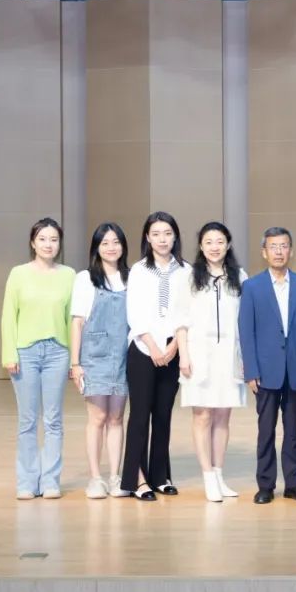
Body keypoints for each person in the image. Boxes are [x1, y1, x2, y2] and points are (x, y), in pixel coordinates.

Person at [239, 227, 296, 505]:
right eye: (273, 247)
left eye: (284, 246)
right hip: (265, 371)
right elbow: (246, 331)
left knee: (293, 430)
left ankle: (294, 484)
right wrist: (251, 370)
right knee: (266, 430)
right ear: (264, 252)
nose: (279, 251)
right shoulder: (252, 287)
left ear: (291, 251)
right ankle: (265, 485)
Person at [1, 217, 75, 500]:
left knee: (54, 420)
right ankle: (27, 482)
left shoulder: (69, 275)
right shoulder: (18, 274)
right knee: (28, 421)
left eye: (54, 239)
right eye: (42, 239)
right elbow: (9, 316)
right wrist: (9, 353)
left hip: (58, 352)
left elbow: (71, 318)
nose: (48, 244)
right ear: (33, 242)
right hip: (25, 353)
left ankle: (50, 481)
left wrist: (74, 359)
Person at [174, 222, 248, 503]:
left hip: (229, 354)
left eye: (219, 241)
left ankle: (218, 474)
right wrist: (183, 355)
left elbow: (246, 319)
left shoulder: (239, 276)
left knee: (223, 415)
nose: (214, 247)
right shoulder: (189, 277)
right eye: (208, 242)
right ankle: (207, 476)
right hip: (198, 354)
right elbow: (180, 321)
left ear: (228, 244)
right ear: (201, 246)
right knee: (203, 414)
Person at [121, 212, 187, 501]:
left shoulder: (185, 270)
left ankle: (160, 476)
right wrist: (154, 346)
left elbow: (187, 313)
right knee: (139, 416)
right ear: (147, 238)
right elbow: (134, 313)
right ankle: (136, 480)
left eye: (168, 233)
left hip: (172, 349)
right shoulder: (138, 270)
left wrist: (174, 347)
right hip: (143, 349)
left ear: (175, 237)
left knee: (163, 416)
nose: (162, 239)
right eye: (156, 234)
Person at [69, 222, 131, 500]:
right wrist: (75, 363)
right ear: (96, 247)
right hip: (94, 357)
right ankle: (95, 478)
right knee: (97, 418)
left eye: (116, 242)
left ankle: (116, 477)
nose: (111, 247)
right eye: (105, 243)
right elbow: (77, 322)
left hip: (125, 357)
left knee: (117, 417)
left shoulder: (131, 277)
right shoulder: (85, 278)